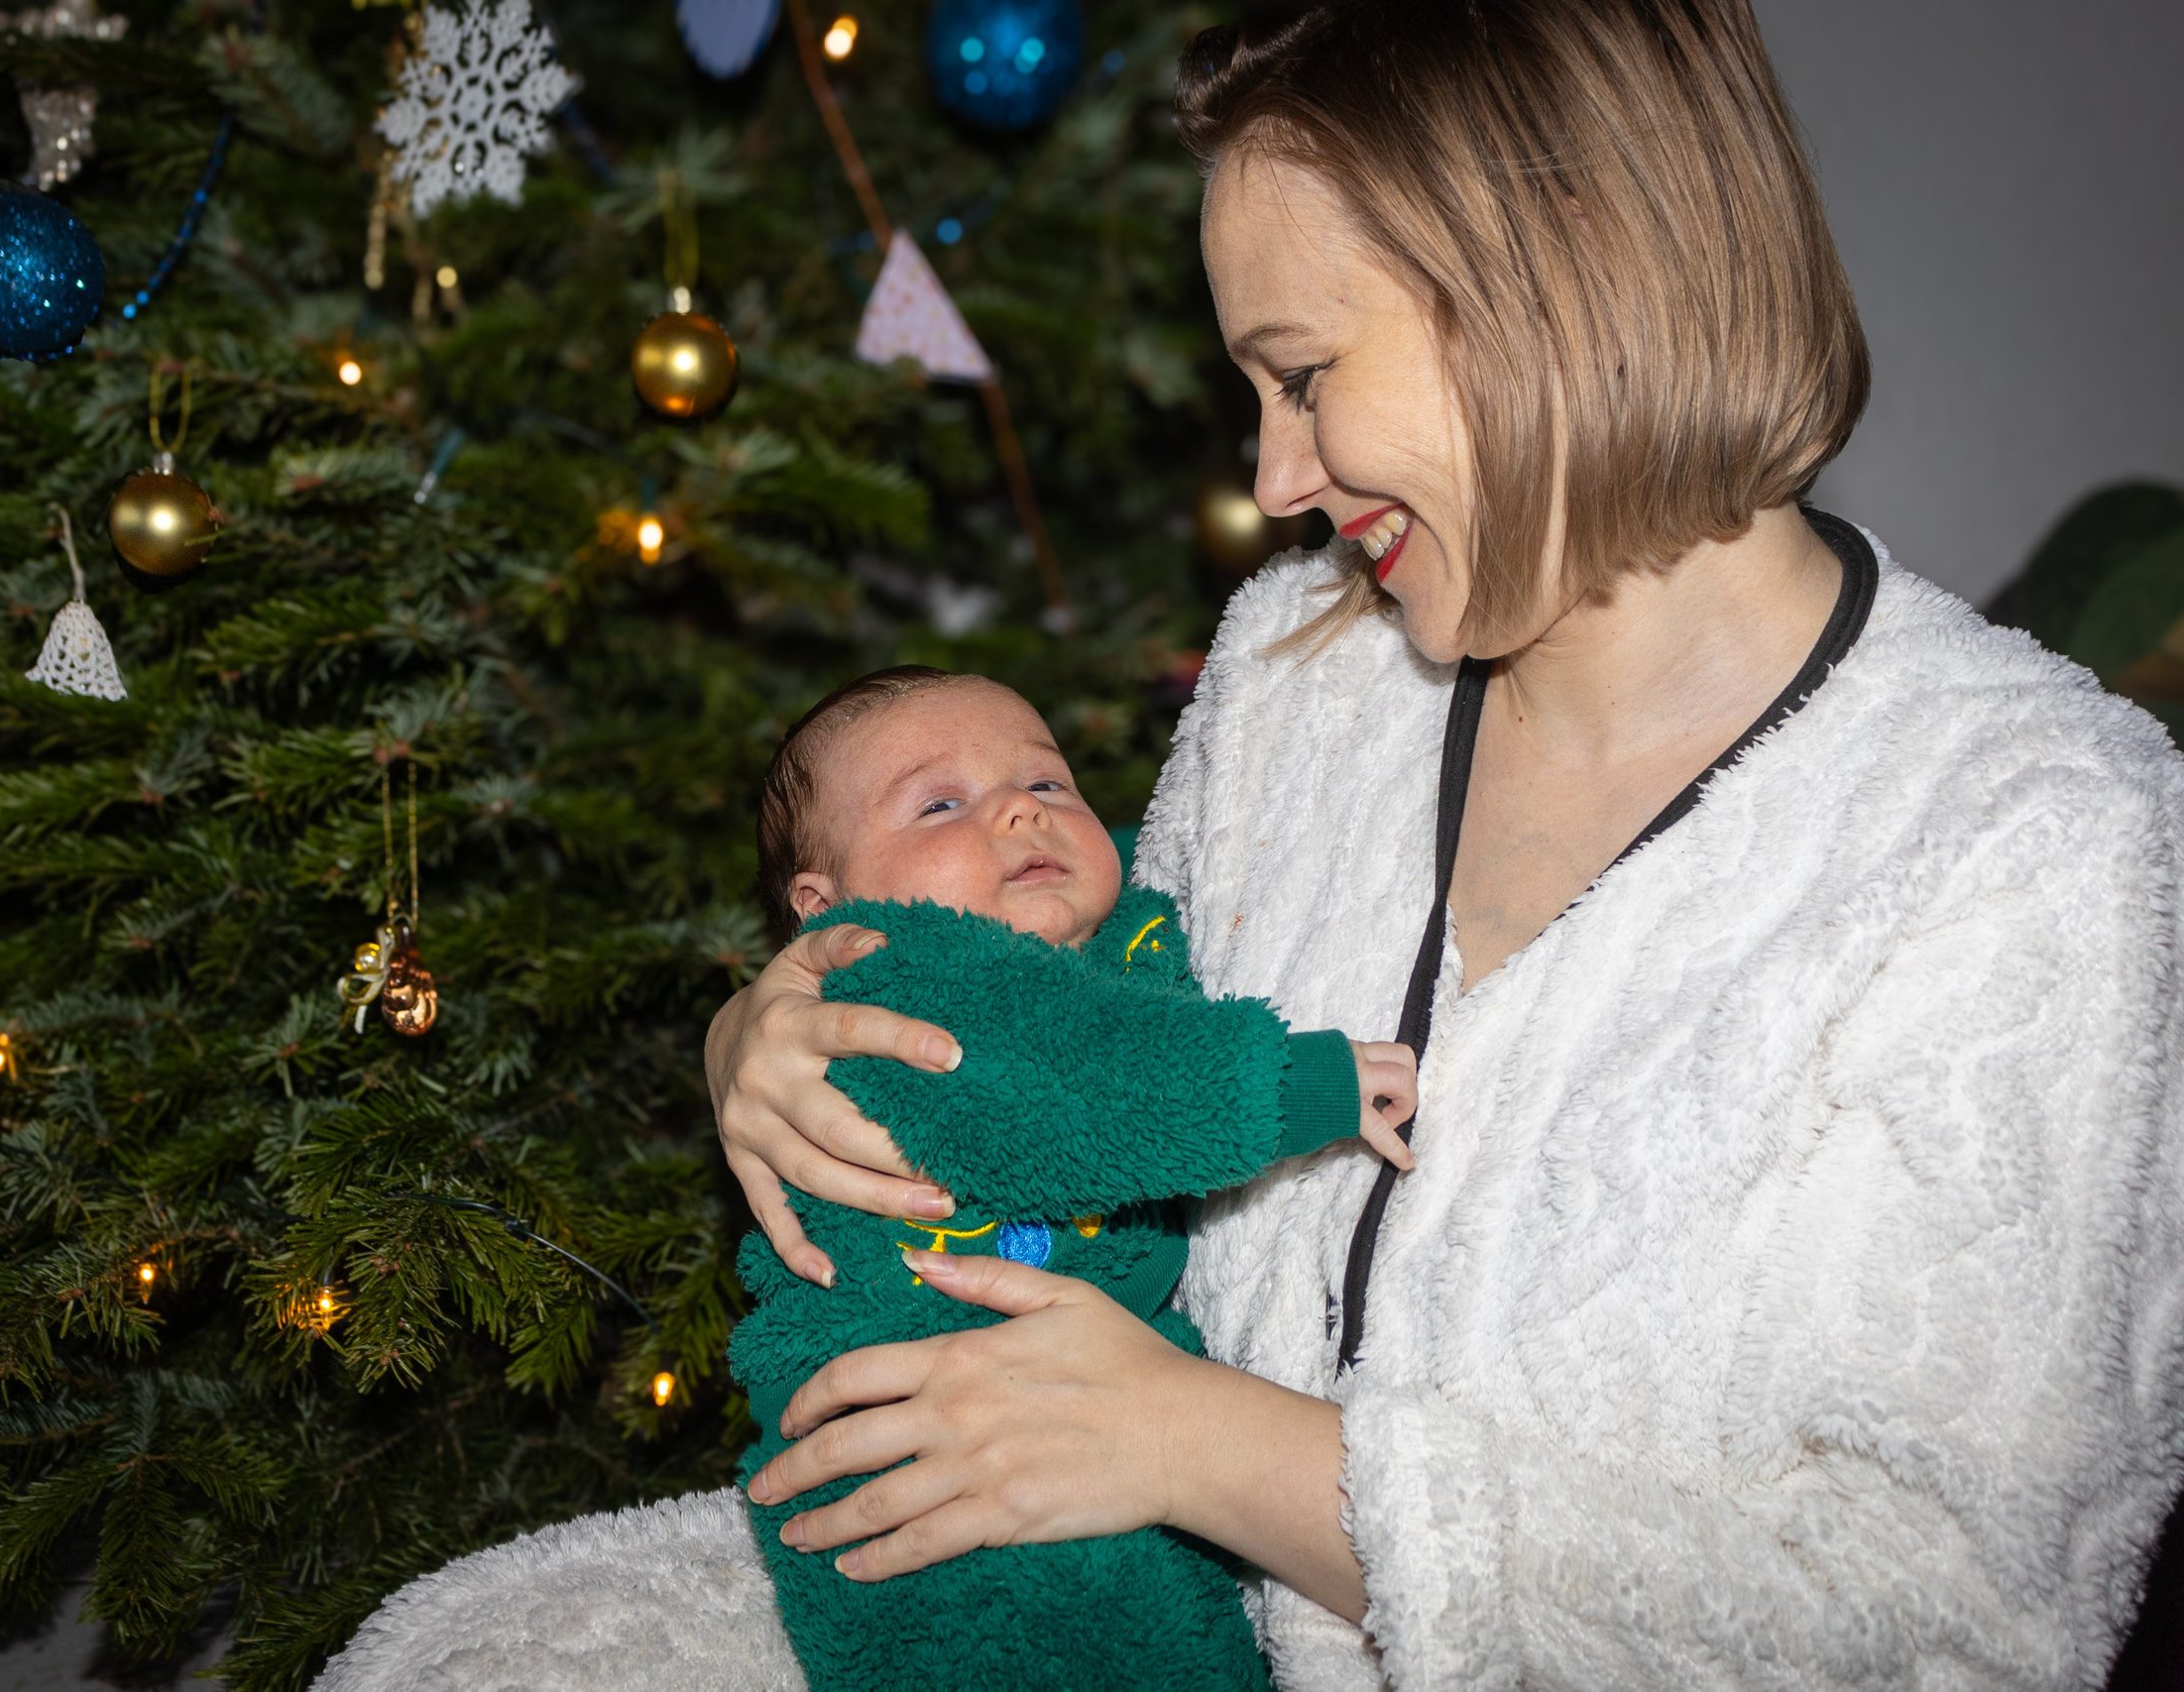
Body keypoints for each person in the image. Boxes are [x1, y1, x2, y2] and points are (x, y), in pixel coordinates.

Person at [311, 3, 2184, 1688]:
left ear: (1565, 285)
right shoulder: (1314, 677)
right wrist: (782, 1020)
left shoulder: (2033, 841)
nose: (1277, 477)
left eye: (1303, 374)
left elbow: (1950, 1612)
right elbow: (1081, 1009)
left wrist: (1202, 1441)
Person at [727, 663, 1414, 1691]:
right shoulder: (901, 974)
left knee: (1169, 1631)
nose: (1015, 809)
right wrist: (1298, 1085)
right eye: (940, 804)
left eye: (1047, 786)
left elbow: (1142, 880)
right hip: (905, 1437)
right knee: (1064, 1637)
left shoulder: (1112, 932)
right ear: (827, 910)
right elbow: (1087, 1086)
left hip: (1051, 1410)